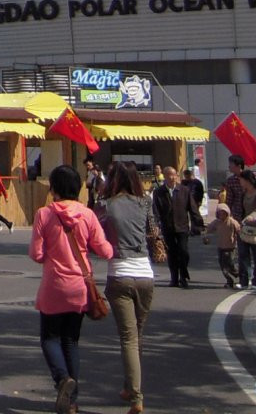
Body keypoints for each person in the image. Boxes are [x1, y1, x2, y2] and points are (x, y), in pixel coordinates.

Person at [29, 163, 113, 414]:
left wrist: (50, 253)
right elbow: (105, 251)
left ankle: (62, 379)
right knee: (71, 341)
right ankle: (72, 401)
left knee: (49, 339)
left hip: (54, 285)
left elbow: (36, 254)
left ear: (54, 188)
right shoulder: (87, 215)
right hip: (79, 286)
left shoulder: (44, 214)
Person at [97, 161, 156, 414]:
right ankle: (129, 386)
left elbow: (97, 236)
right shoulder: (145, 202)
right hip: (145, 274)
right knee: (137, 335)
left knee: (128, 338)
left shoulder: (106, 205)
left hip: (120, 273)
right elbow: (153, 231)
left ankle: (136, 397)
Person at [152, 166, 197, 289]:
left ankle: (183, 275)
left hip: (182, 226)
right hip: (168, 227)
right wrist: (156, 225)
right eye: (169, 175)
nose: (172, 178)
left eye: (174, 175)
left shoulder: (184, 190)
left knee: (183, 251)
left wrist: (197, 223)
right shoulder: (159, 192)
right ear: (165, 177)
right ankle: (174, 278)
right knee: (172, 253)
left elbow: (192, 208)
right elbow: (156, 211)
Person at [206, 199, 241, 288]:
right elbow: (209, 229)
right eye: (220, 214)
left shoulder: (232, 222)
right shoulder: (217, 222)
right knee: (223, 266)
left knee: (230, 264)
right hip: (221, 247)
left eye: (224, 213)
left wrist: (239, 238)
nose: (222, 216)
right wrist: (206, 236)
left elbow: (239, 230)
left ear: (227, 213)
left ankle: (239, 274)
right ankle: (229, 280)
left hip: (230, 247)